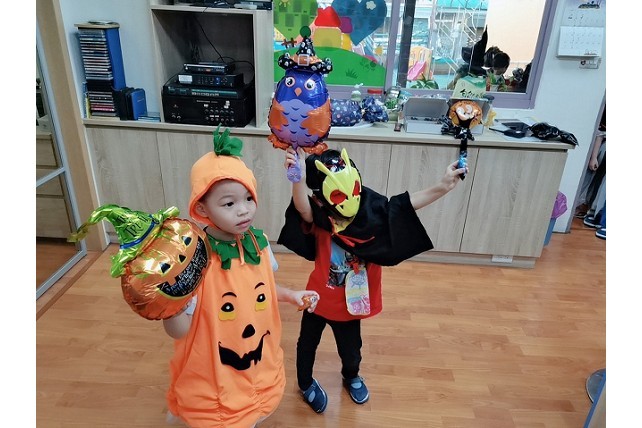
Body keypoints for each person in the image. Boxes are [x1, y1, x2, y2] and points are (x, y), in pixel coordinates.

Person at [277, 146, 466, 413]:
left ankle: (351, 376)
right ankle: (305, 383)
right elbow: (303, 209)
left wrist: (443, 186)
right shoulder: (320, 218)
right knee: (306, 344)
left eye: (353, 191)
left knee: (351, 350)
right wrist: (297, 178)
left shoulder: (372, 216)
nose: (349, 199)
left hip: (351, 305)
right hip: (316, 298)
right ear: (322, 197)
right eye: (339, 195)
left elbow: (403, 205)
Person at [162, 127, 320, 427]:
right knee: (209, 413)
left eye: (249, 198)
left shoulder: (258, 243)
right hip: (214, 371)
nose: (244, 211)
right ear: (201, 207)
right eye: (229, 203)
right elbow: (179, 331)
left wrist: (290, 295)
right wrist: (168, 305)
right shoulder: (193, 259)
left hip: (256, 359)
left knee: (251, 411)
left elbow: (263, 288)